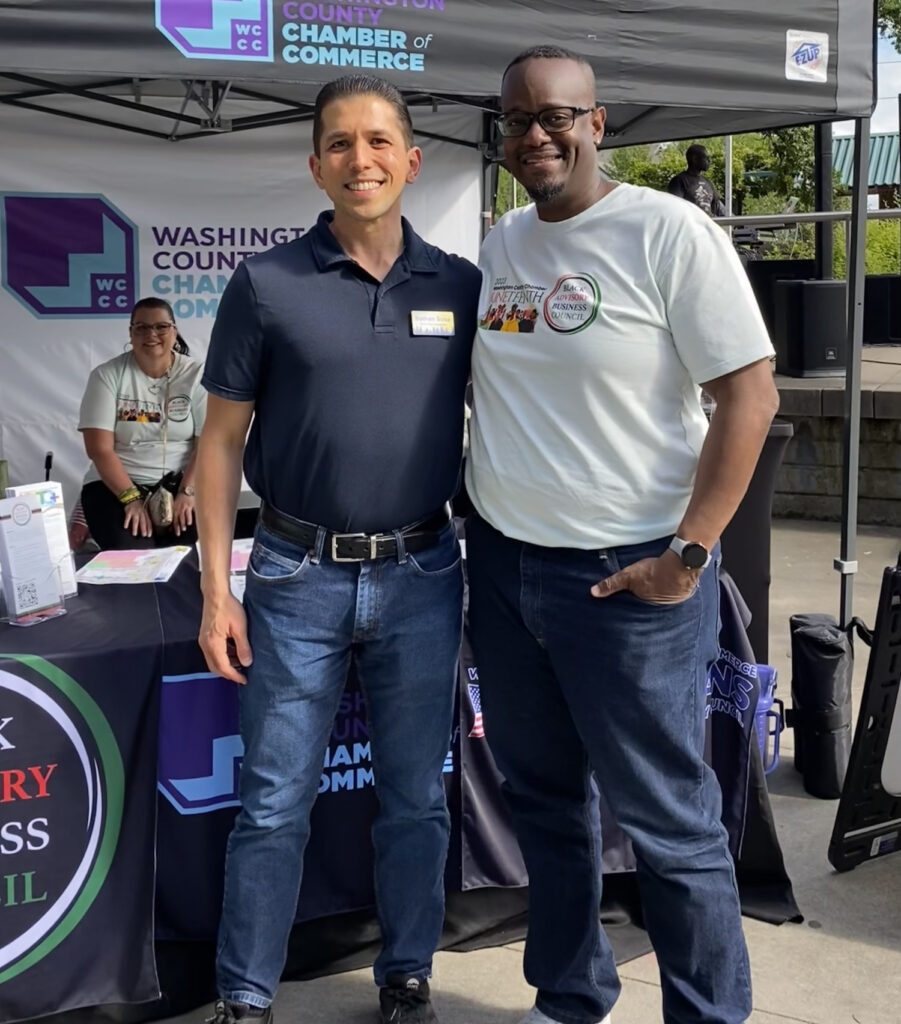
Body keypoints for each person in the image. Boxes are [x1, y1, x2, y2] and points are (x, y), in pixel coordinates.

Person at [465, 46, 780, 1024]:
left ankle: (707, 1012)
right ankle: (569, 994)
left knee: (666, 820)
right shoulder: (498, 246)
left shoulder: (668, 232)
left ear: (597, 123)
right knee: (547, 806)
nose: (536, 135)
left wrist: (687, 552)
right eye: (517, 119)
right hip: (509, 570)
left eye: (556, 116)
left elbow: (749, 395)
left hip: (629, 579)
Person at [195, 74, 481, 1024]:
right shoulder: (265, 284)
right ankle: (244, 995)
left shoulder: (462, 285)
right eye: (340, 144)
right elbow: (220, 444)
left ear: (411, 158)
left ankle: (407, 973)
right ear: (315, 164)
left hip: (425, 573)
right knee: (274, 804)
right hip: (294, 573)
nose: (361, 159)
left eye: (378, 141)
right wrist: (215, 593)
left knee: (414, 799)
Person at [78, 297, 205, 549]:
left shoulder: (198, 374)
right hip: (117, 487)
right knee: (135, 563)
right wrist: (131, 500)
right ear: (131, 332)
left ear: (174, 331)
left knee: (188, 561)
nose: (152, 334)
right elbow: (99, 449)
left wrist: (187, 493)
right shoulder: (107, 375)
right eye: (142, 327)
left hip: (185, 483)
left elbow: (209, 444)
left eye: (161, 326)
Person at [667, 143, 726, 217]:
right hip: (690, 227)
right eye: (706, 158)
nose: (709, 161)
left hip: (707, 226)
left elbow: (718, 207)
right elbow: (675, 209)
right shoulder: (679, 181)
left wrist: (736, 222)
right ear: (694, 159)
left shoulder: (708, 182)